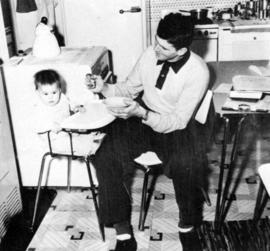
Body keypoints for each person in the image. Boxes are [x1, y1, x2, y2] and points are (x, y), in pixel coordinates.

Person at [88, 13, 213, 251]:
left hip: (177, 126)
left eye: (163, 47)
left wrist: (142, 114)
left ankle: (187, 225)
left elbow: (177, 120)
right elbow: (128, 88)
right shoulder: (149, 54)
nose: (155, 49)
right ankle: (123, 233)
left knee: (187, 163)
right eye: (156, 41)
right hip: (143, 117)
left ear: (181, 51)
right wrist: (104, 87)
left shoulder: (198, 71)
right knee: (104, 155)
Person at [33, 69, 104, 155]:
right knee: (73, 142)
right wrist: (50, 125)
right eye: (46, 94)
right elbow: (37, 126)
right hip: (53, 140)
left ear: (59, 90)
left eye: (54, 92)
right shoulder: (40, 108)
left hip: (67, 131)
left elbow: (70, 104)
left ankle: (93, 139)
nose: (51, 97)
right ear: (38, 93)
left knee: (84, 133)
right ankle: (89, 148)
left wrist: (76, 108)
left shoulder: (62, 98)